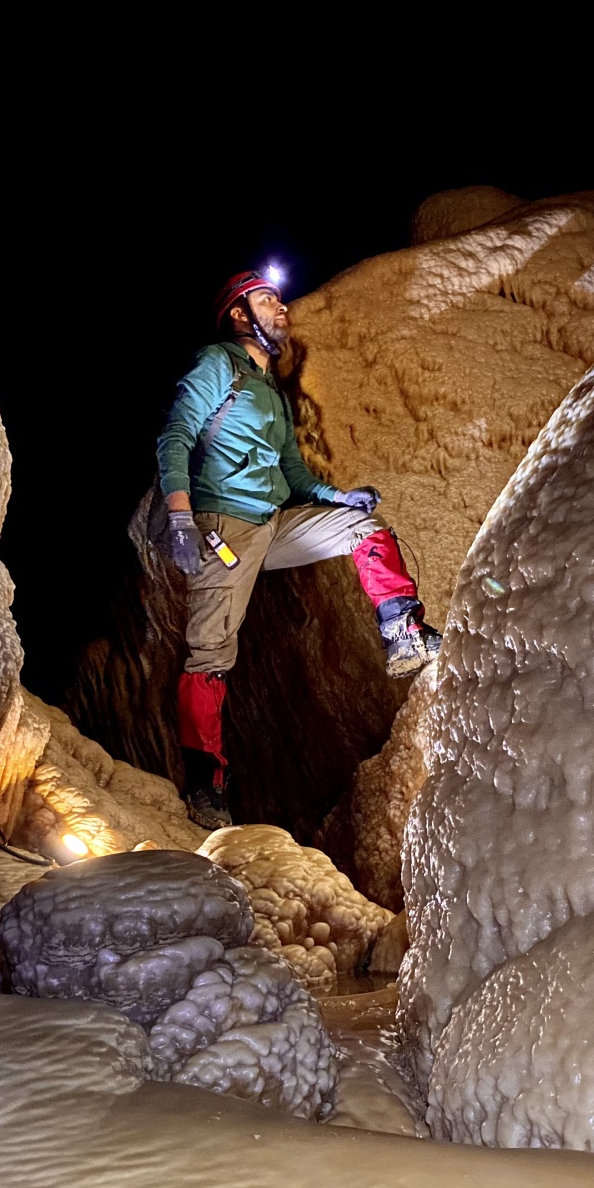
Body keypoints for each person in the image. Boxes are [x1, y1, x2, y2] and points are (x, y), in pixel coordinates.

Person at [156, 269, 441, 830]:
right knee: (210, 654)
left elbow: (292, 473)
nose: (281, 308)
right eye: (267, 300)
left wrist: (339, 497)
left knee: (366, 528)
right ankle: (205, 787)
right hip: (223, 527)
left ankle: (403, 634)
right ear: (240, 315)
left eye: (280, 300)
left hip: (271, 523)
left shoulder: (272, 393)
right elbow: (175, 436)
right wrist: (181, 516)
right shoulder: (219, 364)